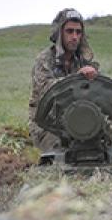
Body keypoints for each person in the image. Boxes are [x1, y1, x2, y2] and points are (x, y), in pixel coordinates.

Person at [29, 8, 100, 151]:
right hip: (48, 124)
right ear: (59, 33)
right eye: (69, 31)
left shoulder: (84, 61)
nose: (74, 36)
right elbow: (46, 91)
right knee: (62, 154)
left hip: (78, 119)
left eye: (78, 32)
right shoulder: (45, 60)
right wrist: (76, 78)